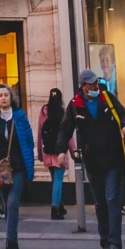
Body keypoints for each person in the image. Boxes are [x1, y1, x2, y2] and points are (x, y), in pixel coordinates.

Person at [64, 69, 125, 249]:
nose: (95, 86)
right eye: (90, 84)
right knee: (100, 203)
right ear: (83, 86)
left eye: (96, 83)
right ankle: (105, 241)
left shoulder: (107, 98)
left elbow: (124, 113)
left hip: (112, 158)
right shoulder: (75, 105)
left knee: (112, 199)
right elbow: (66, 128)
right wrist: (60, 150)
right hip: (93, 161)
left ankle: (115, 245)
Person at [0, 83, 34, 249]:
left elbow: (28, 140)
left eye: (6, 95)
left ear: (11, 98)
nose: (3, 98)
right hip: (1, 168)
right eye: (0, 95)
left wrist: (29, 163)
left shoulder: (20, 116)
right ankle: (14, 242)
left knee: (12, 204)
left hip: (17, 167)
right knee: (5, 205)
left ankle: (10, 244)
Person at [38, 88, 71, 220]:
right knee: (58, 180)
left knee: (55, 180)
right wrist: (74, 151)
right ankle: (55, 208)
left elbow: (40, 132)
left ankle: (60, 206)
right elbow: (67, 134)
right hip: (60, 152)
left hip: (47, 151)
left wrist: (40, 153)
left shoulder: (44, 111)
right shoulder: (63, 112)